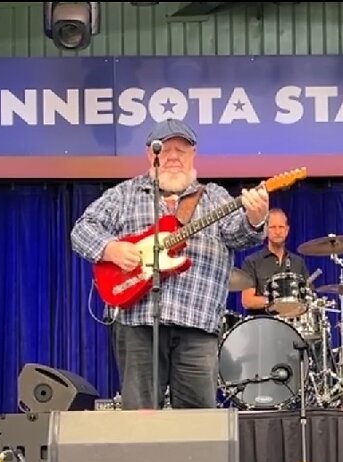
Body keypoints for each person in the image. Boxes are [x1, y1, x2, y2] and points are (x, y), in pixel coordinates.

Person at [71, 119, 270, 410]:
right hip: (138, 322)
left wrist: (255, 218)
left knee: (198, 424)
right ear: (150, 155)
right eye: (164, 149)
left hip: (197, 324)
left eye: (182, 149)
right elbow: (82, 230)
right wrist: (111, 249)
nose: (173, 156)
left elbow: (239, 235)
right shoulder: (124, 194)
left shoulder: (214, 196)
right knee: (141, 420)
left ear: (194, 156)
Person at [239, 208, 312, 316]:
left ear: (287, 230)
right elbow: (247, 301)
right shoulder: (252, 261)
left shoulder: (298, 262)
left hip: (293, 326)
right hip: (263, 325)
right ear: (266, 230)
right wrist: (278, 302)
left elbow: (308, 298)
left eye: (281, 227)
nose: (277, 231)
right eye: (273, 227)